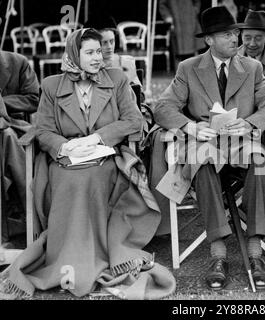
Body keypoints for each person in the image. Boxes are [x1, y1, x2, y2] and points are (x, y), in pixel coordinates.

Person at [0, 29, 175, 299]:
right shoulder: (51, 85)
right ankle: (66, 257)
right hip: (64, 160)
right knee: (69, 179)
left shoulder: (116, 79)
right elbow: (43, 130)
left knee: (92, 177)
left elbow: (133, 121)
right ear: (74, 54)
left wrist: (96, 138)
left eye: (99, 52)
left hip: (107, 157)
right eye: (90, 52)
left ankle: (96, 255)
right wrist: (64, 146)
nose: (98, 57)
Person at [152, 6, 265, 290]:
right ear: (209, 39)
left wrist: (250, 124)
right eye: (226, 34)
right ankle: (218, 251)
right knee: (202, 163)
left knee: (260, 161)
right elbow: (162, 107)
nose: (235, 39)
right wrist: (190, 127)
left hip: (240, 141)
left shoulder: (252, 67)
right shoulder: (188, 68)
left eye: (235, 33)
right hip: (204, 142)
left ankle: (256, 249)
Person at [0, 50, 39, 245]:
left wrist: (1, 103)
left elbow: (34, 99)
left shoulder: (17, 62)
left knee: (7, 138)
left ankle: (31, 214)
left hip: (14, 128)